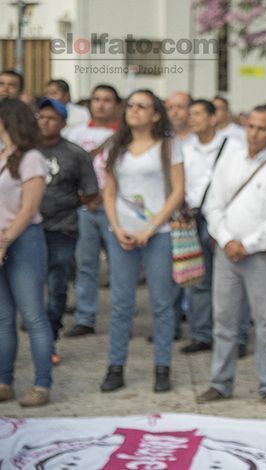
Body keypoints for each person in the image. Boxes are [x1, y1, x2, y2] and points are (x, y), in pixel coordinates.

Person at [197, 104, 266, 408]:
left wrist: (248, 245)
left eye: (262, 128)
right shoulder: (230, 159)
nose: (254, 133)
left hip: (262, 256)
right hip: (227, 253)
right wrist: (228, 240)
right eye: (251, 126)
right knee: (223, 320)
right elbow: (213, 205)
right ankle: (220, 382)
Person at [99, 89, 185, 394]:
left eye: (142, 106)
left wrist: (151, 228)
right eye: (131, 105)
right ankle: (115, 367)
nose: (134, 110)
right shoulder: (116, 146)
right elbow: (109, 191)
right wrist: (115, 227)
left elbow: (178, 191)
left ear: (156, 115)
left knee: (161, 303)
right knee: (121, 304)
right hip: (121, 235)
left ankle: (162, 367)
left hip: (158, 234)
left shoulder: (169, 146)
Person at [179, 99, 251, 356]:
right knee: (198, 280)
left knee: (231, 280)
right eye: (191, 114)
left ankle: (237, 337)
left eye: (198, 114)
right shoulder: (185, 148)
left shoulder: (233, 147)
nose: (193, 119)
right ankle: (201, 335)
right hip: (193, 218)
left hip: (223, 220)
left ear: (212, 118)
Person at [36, 98, 98, 363]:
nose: (45, 122)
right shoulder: (26, 151)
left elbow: (91, 191)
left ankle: (49, 340)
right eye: (41, 117)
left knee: (57, 286)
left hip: (62, 230)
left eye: (51, 118)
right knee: (30, 286)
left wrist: (69, 204)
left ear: (62, 123)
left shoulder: (75, 154)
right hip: (29, 229)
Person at [0, 98, 52, 407]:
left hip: (23, 240)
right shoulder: (2, 155)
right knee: (3, 317)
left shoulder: (32, 158)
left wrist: (4, 241)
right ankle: (4, 381)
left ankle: (42, 384)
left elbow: (29, 208)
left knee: (33, 316)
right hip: (2, 239)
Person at [64, 84, 121, 337]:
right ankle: (85, 318)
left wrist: (103, 196)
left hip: (115, 209)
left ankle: (121, 316)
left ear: (116, 105)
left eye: (107, 100)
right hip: (84, 208)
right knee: (86, 265)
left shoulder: (124, 135)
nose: (101, 104)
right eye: (97, 99)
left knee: (120, 266)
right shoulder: (75, 133)